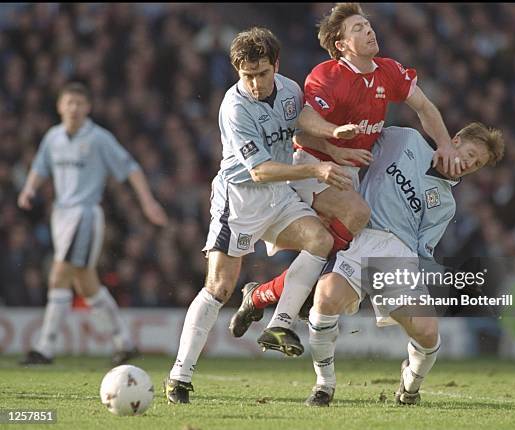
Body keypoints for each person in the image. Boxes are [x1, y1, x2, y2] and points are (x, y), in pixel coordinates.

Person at [230, 2, 466, 355]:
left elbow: (424, 107)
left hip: (348, 172)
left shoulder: (389, 72)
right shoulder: (328, 75)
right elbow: (305, 122)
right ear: (341, 45)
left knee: (333, 242)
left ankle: (263, 295)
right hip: (314, 163)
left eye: (367, 25)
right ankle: (282, 312)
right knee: (356, 217)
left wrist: (446, 143)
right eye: (357, 29)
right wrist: (335, 136)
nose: (369, 31)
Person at [162, 27, 354, 405]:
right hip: (240, 200)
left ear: (275, 66)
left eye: (261, 73)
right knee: (219, 288)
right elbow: (259, 171)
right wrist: (316, 171)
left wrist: (333, 137)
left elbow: (301, 120)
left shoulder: (290, 90)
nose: (254, 83)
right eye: (246, 75)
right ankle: (179, 377)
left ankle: (279, 324)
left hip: (278, 196)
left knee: (321, 240)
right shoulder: (234, 108)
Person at [303, 123, 504, 406]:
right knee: (326, 298)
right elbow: (364, 139)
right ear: (454, 140)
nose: (469, 164)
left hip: (399, 254)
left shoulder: (446, 204)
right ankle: (324, 385)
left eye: (477, 163)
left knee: (427, 331)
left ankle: (409, 385)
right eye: (470, 154)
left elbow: (423, 251)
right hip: (361, 234)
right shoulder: (406, 139)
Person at [17, 82, 168, 366]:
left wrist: (147, 203)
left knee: (58, 275)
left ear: (88, 107)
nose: (73, 108)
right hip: (60, 216)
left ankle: (45, 348)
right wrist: (28, 189)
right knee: (86, 284)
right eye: (69, 102)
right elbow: (40, 167)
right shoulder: (53, 137)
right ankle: (124, 342)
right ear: (60, 106)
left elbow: (131, 168)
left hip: (84, 215)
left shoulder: (98, 138)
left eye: (79, 103)